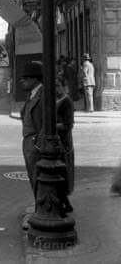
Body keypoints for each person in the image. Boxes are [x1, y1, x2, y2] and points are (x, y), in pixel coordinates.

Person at [20, 61, 44, 195]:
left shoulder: (43, 95)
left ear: (35, 79)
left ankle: (42, 207)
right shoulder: (32, 94)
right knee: (33, 178)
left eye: (26, 78)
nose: (22, 80)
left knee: (38, 179)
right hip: (30, 143)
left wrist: (37, 144)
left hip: (36, 144)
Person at [56, 76, 75, 213]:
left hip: (64, 143)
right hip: (55, 142)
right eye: (54, 86)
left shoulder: (66, 101)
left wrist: (52, 125)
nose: (56, 88)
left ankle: (64, 204)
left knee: (61, 173)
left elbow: (68, 125)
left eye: (58, 86)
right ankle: (64, 203)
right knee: (57, 173)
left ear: (64, 87)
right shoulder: (55, 100)